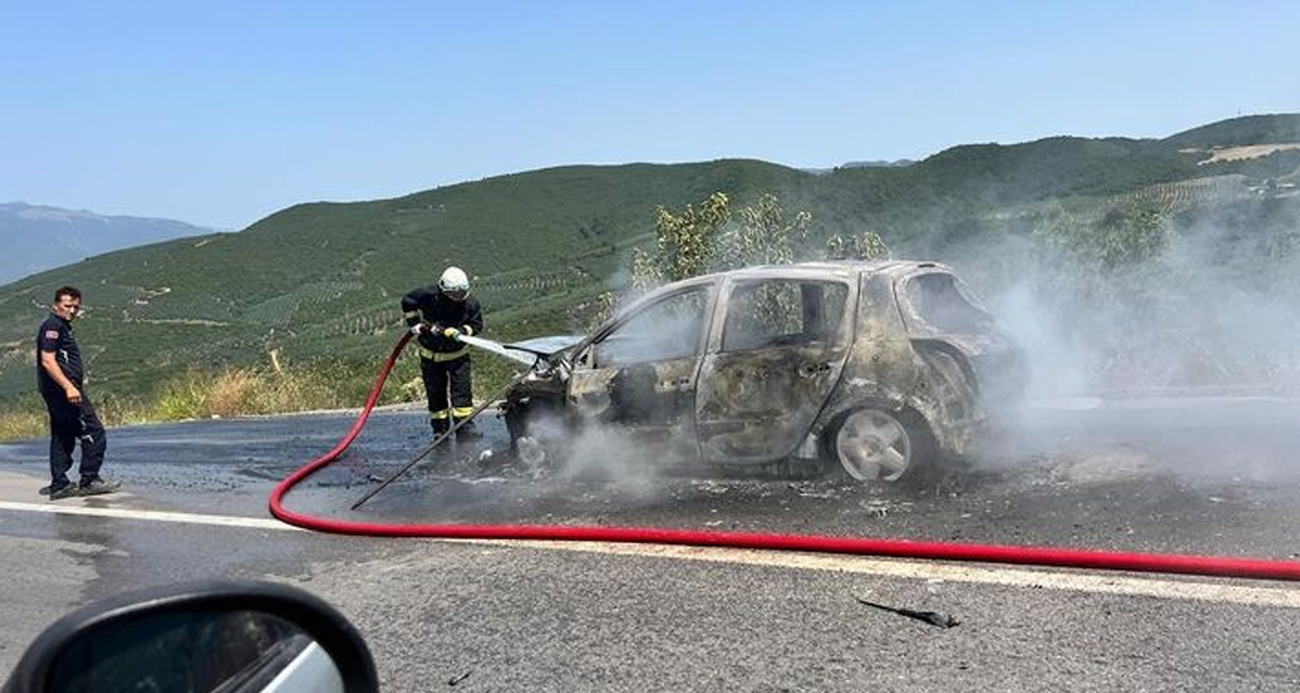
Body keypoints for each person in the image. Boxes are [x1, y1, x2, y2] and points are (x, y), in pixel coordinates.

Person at [36, 286, 119, 500]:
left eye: (76, 307)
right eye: (67, 306)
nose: (72, 311)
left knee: (63, 435)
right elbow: (48, 360)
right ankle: (89, 480)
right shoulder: (52, 327)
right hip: (64, 392)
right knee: (94, 431)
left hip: (59, 391)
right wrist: (69, 386)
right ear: (56, 305)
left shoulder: (62, 326)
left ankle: (59, 484)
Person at [401, 267, 485, 441]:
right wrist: (414, 323)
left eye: (462, 293)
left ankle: (465, 427)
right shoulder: (428, 295)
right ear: (443, 289)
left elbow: (477, 325)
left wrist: (461, 331)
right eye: (454, 294)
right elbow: (407, 301)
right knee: (435, 395)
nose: (458, 297)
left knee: (462, 394)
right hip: (430, 357)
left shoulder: (471, 303)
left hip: (458, 357)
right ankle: (440, 431)